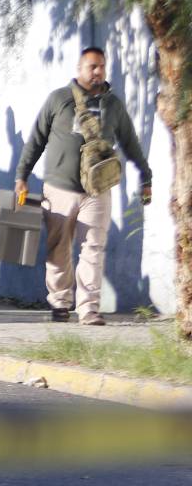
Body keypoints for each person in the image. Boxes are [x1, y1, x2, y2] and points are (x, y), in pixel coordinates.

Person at [15, 46, 152, 326]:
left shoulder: (113, 105)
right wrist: (22, 175)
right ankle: (60, 303)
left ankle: (89, 309)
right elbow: (36, 140)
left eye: (102, 66)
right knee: (59, 247)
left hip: (97, 190)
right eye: (92, 66)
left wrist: (146, 176)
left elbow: (130, 142)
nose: (98, 71)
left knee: (93, 247)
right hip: (59, 188)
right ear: (80, 69)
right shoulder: (58, 99)